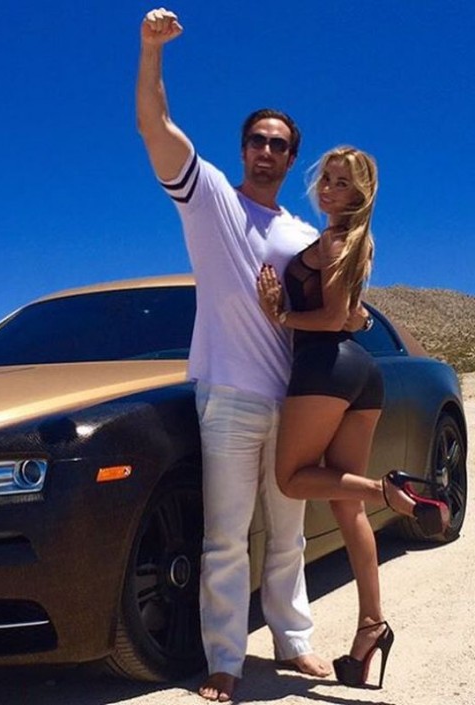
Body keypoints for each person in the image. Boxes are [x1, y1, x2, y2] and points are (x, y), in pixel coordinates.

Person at [135, 8, 370, 701]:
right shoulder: (207, 198)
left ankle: (294, 641)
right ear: (242, 149)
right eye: (257, 140)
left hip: (295, 398)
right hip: (229, 394)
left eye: (279, 144)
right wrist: (151, 51)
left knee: (289, 529)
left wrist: (353, 313)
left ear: (292, 159)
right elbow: (154, 125)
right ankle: (225, 660)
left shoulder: (302, 232)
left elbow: (338, 300)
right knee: (225, 536)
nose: (266, 151)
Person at [257, 146, 450, 688]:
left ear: (359, 194)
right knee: (347, 507)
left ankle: (391, 491)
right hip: (362, 372)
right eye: (326, 178)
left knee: (292, 479)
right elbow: (353, 316)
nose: (328, 189)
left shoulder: (337, 241)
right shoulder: (354, 241)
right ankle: (372, 626)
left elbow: (334, 316)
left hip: (325, 368)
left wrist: (280, 314)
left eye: (342, 183)